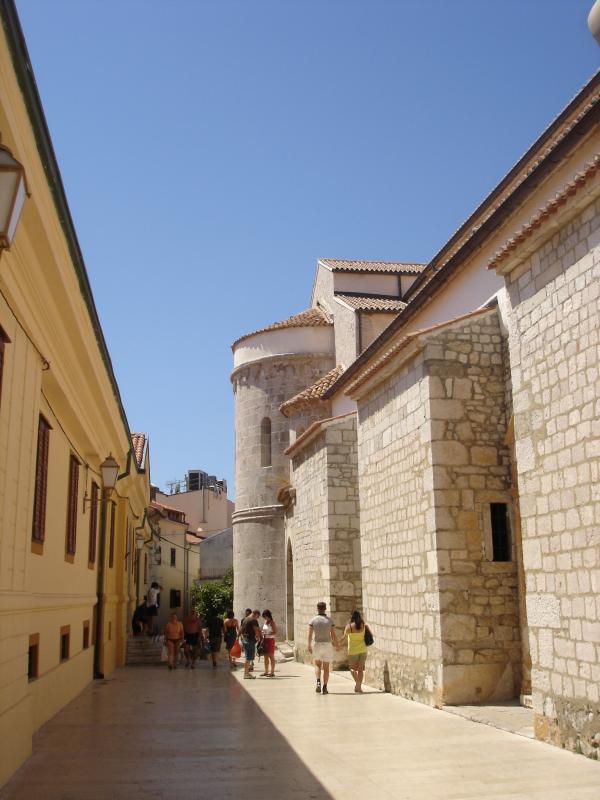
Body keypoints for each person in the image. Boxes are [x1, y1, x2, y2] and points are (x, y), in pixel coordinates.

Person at [307, 601, 339, 695]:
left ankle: (318, 681)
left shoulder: (313, 620)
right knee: (326, 668)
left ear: (317, 608)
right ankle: (325, 687)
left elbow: (310, 634)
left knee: (317, 665)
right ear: (325, 609)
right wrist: (337, 645)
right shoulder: (329, 621)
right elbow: (333, 635)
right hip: (327, 645)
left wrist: (309, 645)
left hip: (317, 644)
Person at [341, 610, 371, 693]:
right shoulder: (363, 625)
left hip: (353, 651)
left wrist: (337, 644)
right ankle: (359, 687)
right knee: (360, 669)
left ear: (351, 617)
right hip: (363, 650)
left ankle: (358, 684)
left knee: (352, 668)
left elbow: (344, 638)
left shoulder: (349, 627)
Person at [241, 609, 262, 680]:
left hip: (245, 639)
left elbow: (242, 629)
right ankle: (246, 674)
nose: (257, 618)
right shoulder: (253, 620)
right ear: (256, 614)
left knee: (247, 657)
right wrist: (259, 640)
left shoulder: (245, 619)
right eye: (258, 616)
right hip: (250, 640)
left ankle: (246, 673)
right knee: (248, 658)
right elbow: (256, 631)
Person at [260, 610, 277, 678]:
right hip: (265, 640)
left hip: (270, 640)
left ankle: (272, 672)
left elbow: (275, 632)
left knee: (271, 656)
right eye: (263, 616)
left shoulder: (272, 623)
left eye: (265, 616)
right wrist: (262, 633)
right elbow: (264, 630)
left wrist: (267, 633)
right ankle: (266, 672)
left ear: (268, 615)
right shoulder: (265, 622)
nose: (264, 618)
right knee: (265, 657)